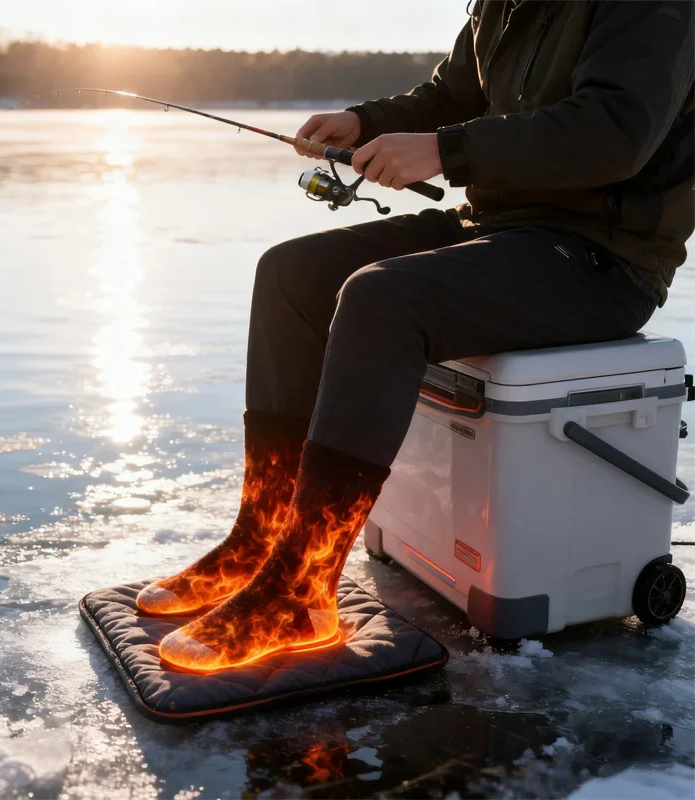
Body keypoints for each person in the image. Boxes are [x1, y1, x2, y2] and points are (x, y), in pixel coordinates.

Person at [140, 0, 694, 672]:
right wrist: (367, 121)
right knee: (291, 273)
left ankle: (301, 589)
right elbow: (453, 95)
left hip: (604, 256)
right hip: (498, 224)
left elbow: (613, 130)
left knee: (381, 298)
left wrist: (445, 150)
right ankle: (260, 539)